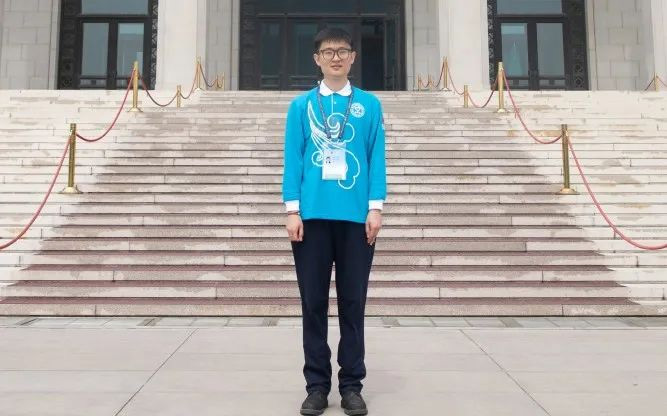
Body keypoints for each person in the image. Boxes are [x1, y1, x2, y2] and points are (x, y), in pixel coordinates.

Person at [282, 27, 387, 416]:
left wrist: (375, 207)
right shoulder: (301, 106)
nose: (336, 57)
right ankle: (316, 386)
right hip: (311, 218)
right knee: (312, 303)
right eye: (328, 52)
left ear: (353, 57)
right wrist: (291, 210)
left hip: (356, 219)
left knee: (353, 303)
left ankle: (351, 386)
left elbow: (376, 157)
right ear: (317, 59)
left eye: (343, 51)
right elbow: (293, 158)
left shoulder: (369, 105)